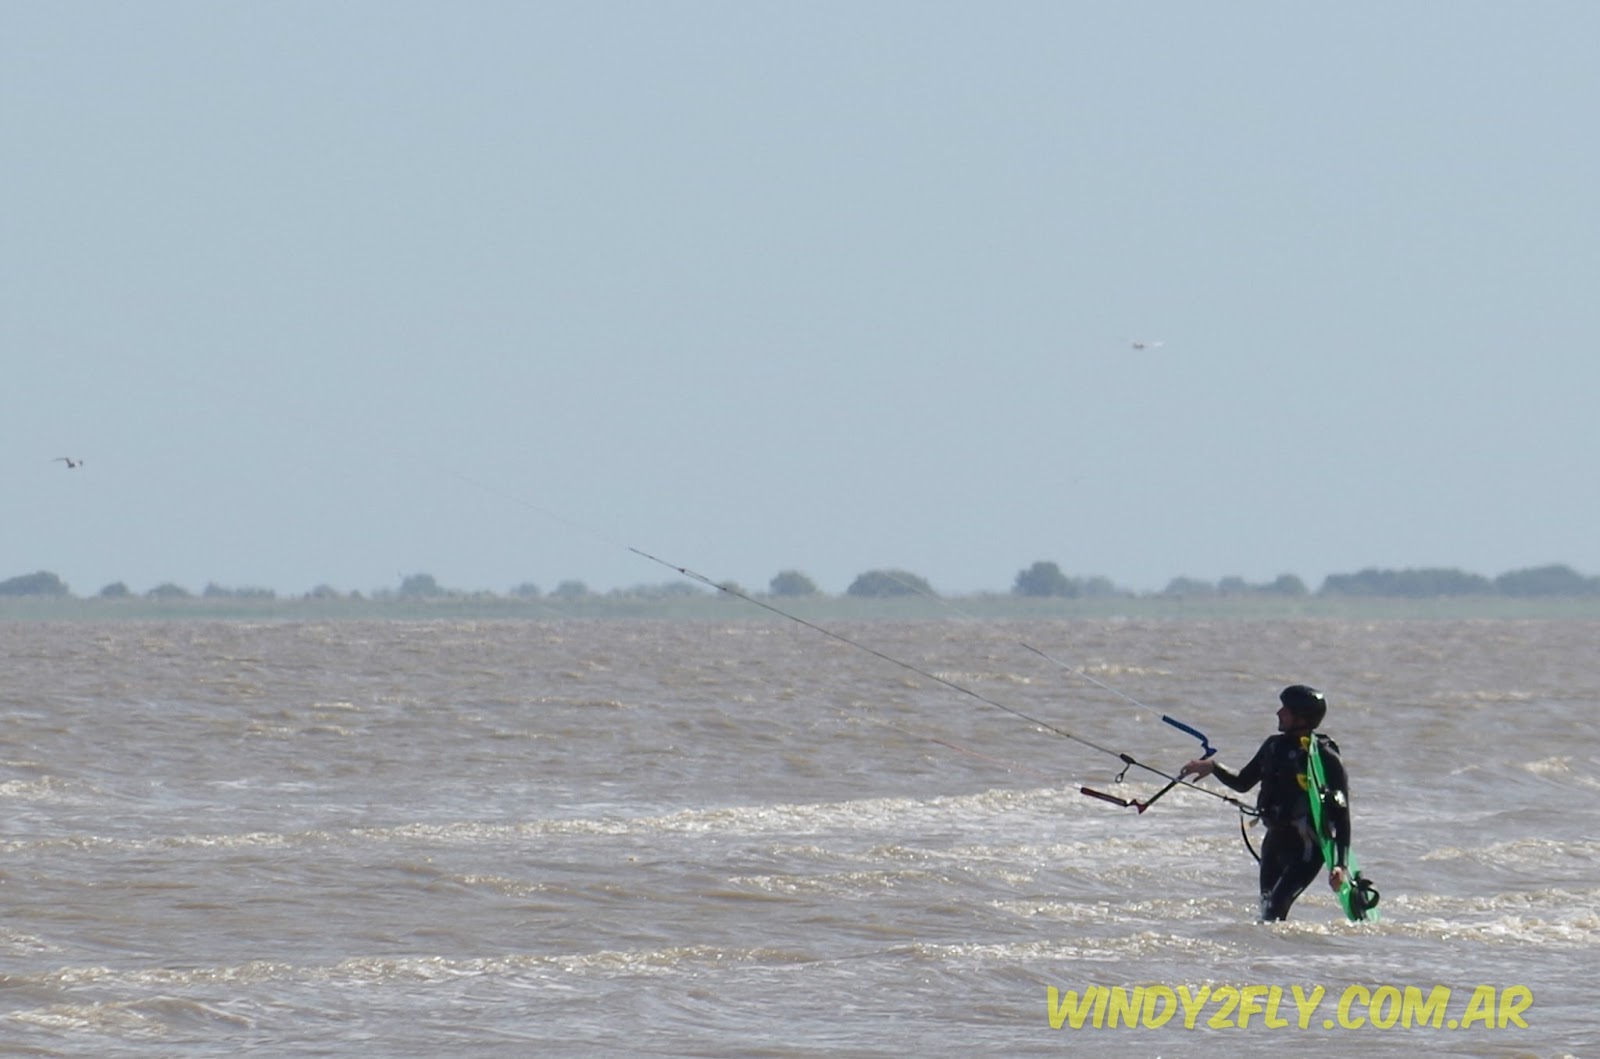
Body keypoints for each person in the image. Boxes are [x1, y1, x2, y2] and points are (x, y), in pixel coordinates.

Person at [1179, 685, 1351, 921]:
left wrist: (1340, 865)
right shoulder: (1273, 746)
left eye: (1285, 710)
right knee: (1266, 910)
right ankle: (1271, 957)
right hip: (1274, 842)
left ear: (1301, 718)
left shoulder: (1325, 755)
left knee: (1274, 911)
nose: (1278, 713)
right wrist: (1213, 767)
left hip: (1307, 848)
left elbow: (1342, 814)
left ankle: (1288, 957)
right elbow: (1243, 782)